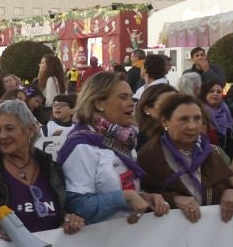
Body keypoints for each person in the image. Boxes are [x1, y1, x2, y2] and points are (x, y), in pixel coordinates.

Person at [60, 72, 169, 224]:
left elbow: (126, 187)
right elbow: (77, 206)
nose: (131, 103)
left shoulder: (125, 139)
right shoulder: (81, 146)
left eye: (131, 97)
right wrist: (125, 197)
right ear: (99, 103)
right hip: (95, 244)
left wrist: (145, 197)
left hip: (127, 239)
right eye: (123, 97)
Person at [0, 99, 84, 236]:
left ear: (30, 130)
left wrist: (71, 220)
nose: (2, 136)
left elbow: (63, 214)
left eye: (9, 129)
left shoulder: (53, 170)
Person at [136, 94, 233, 223]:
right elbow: (141, 199)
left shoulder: (210, 153)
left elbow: (225, 187)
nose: (192, 126)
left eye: (197, 118)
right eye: (183, 119)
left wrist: (231, 191)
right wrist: (173, 199)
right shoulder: (150, 156)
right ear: (165, 121)